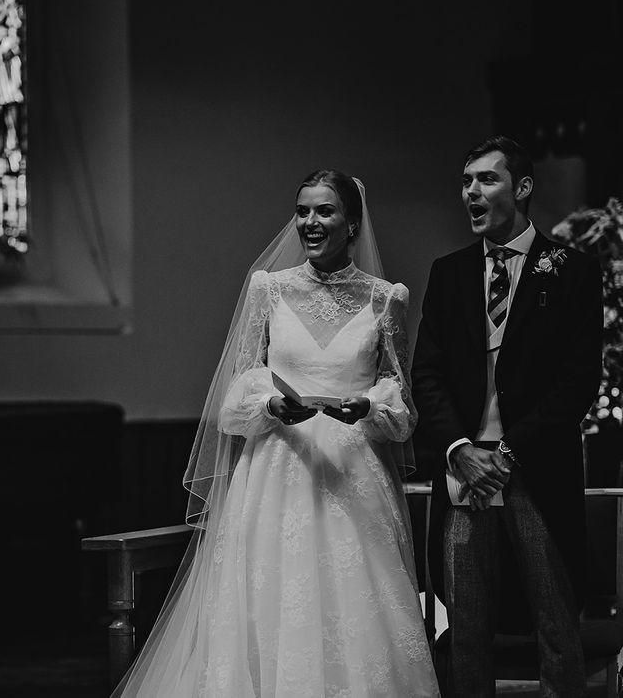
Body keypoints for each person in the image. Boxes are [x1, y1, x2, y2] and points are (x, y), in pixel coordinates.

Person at [113, 170, 440, 697]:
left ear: (352, 223)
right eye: (303, 211)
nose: (311, 222)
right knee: (271, 599)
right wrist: (269, 402)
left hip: (353, 471)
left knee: (354, 602)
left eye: (325, 211)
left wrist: (369, 406)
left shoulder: (386, 299)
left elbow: (400, 399)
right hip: (277, 470)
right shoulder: (268, 288)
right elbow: (234, 394)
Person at [412, 135, 603, 697]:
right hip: (464, 468)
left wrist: (511, 450)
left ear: (521, 188)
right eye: (466, 181)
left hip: (536, 468)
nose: (471, 191)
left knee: (555, 620)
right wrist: (458, 450)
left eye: (487, 179)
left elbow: (577, 381)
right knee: (466, 625)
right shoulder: (448, 273)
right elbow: (428, 373)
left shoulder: (571, 269)